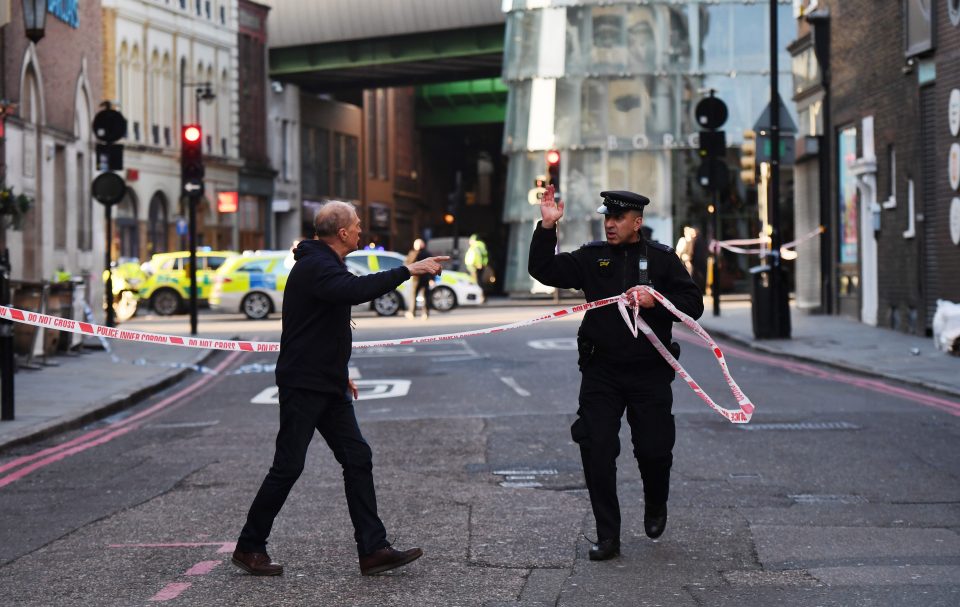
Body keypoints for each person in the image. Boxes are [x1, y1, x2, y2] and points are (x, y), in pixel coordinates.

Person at [233, 201, 448, 577]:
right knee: (288, 466)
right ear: (343, 233)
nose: (362, 229)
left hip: (327, 381)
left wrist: (339, 369)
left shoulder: (324, 262)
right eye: (357, 225)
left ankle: (373, 549)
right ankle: (250, 546)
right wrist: (407, 269)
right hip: (304, 383)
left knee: (357, 457)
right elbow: (352, 291)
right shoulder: (317, 265)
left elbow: (322, 324)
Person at [528, 188, 703, 561]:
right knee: (597, 449)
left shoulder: (662, 259)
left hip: (649, 373)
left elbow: (694, 305)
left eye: (618, 218)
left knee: (655, 452)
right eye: (606, 218)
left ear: (636, 223)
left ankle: (656, 503)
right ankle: (608, 535)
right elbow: (543, 270)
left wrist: (657, 300)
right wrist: (546, 227)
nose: (609, 224)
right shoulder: (593, 258)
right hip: (602, 372)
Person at [404, 238, 433, 319]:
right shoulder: (426, 253)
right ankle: (423, 313)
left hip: (418, 278)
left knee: (416, 296)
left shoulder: (414, 253)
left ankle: (413, 312)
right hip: (422, 278)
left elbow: (408, 264)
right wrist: (431, 278)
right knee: (423, 296)